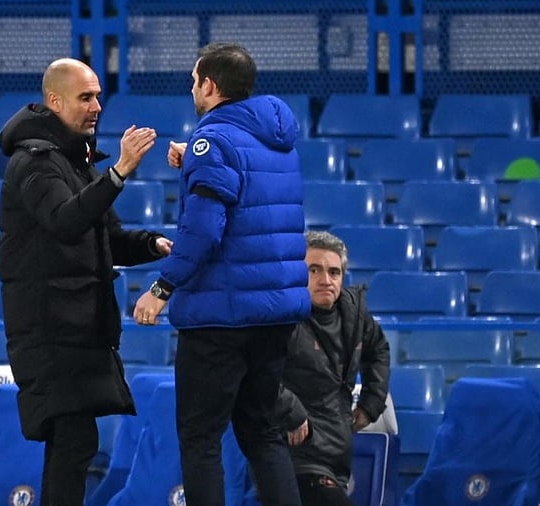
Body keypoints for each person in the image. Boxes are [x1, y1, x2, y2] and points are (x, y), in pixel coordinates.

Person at [133, 42, 311, 506]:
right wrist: (192, 154)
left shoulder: (211, 141)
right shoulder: (277, 140)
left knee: (200, 437)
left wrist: (161, 286)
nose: (192, 88)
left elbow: (205, 230)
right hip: (274, 314)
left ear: (209, 85)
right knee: (260, 431)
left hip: (220, 315)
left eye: (194, 81)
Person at [0, 57, 172, 505]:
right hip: (49, 329)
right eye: (85, 97)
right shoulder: (34, 163)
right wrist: (119, 173)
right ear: (54, 102)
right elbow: (64, 221)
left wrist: (152, 245)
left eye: (97, 95)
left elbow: (106, 238)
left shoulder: (76, 161)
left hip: (78, 328)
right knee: (73, 441)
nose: (96, 105)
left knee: (75, 444)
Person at [274, 230, 391, 506]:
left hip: (337, 454)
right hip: (292, 455)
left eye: (334, 272)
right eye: (314, 270)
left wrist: (371, 403)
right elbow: (254, 371)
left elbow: (379, 350)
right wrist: (289, 411)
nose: (325, 280)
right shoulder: (279, 316)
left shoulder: (354, 314)